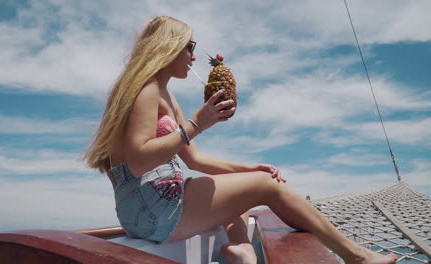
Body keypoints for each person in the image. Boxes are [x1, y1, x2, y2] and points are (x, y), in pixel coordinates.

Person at [83, 16, 398, 264]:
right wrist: (196, 124)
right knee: (267, 187)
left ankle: (242, 252)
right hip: (155, 210)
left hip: (147, 209)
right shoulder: (146, 89)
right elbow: (138, 161)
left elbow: (196, 160)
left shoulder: (163, 93)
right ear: (170, 47)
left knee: (248, 189)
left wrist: (250, 167)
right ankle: (356, 256)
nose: (194, 55)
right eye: (190, 46)